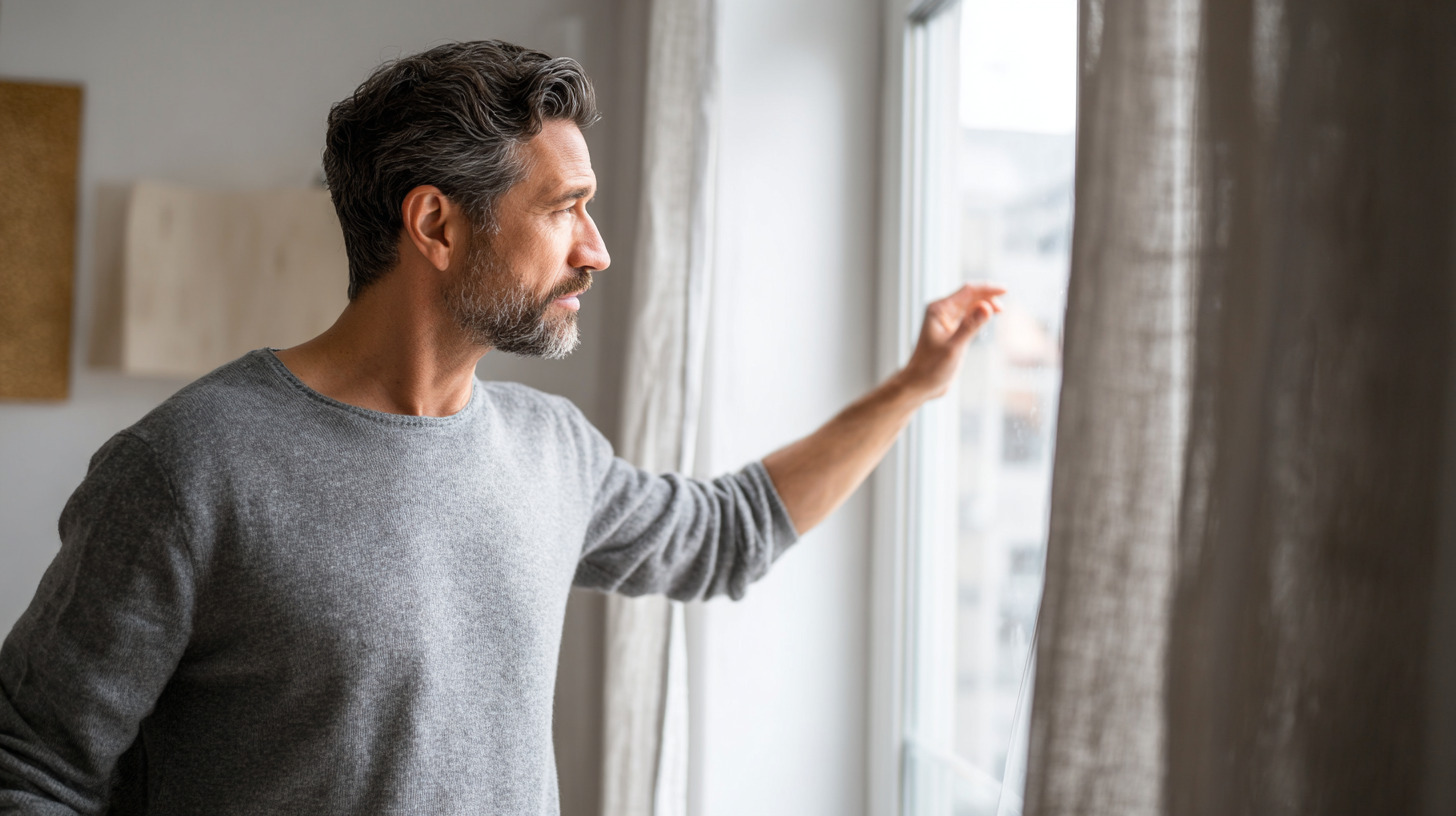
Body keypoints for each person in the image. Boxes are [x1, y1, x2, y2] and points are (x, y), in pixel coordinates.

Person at [0, 40, 1003, 815]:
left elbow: (726, 534)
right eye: (566, 208)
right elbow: (32, 764)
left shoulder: (551, 449)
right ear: (435, 225)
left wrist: (912, 387)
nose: (597, 251)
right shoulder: (189, 466)